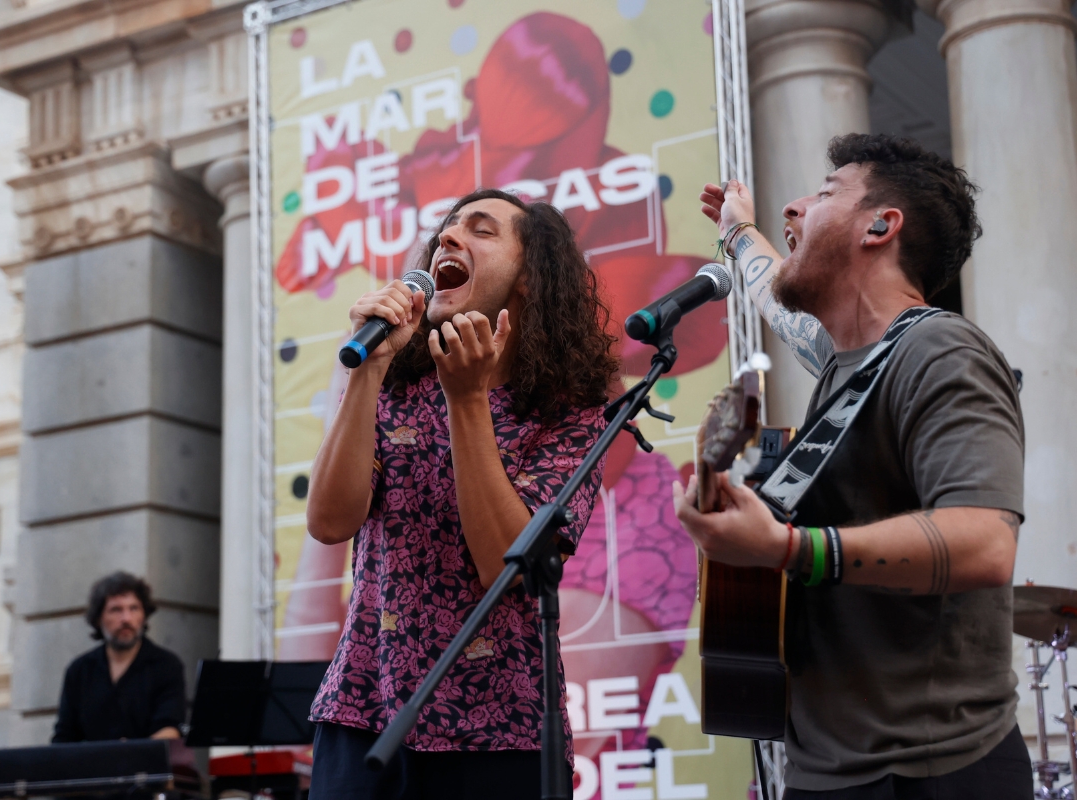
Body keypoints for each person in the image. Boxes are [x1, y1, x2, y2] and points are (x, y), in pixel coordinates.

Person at [676, 133, 1031, 797]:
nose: (796, 209)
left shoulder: (940, 351)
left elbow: (985, 543)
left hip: (933, 772)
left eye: (825, 193)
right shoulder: (843, 366)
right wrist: (738, 231)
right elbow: (772, 298)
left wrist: (788, 548)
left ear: (880, 225)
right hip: (827, 772)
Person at [303, 188, 619, 799]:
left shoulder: (570, 414)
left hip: (499, 729)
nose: (449, 238)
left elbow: (503, 561)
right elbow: (329, 520)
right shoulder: (394, 381)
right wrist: (367, 369)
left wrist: (467, 399)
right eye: (446, 229)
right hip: (363, 709)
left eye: (481, 230)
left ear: (530, 277)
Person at [52, 571, 185, 743]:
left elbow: (170, 729)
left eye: (134, 608)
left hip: (148, 767)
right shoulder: (80, 670)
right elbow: (64, 736)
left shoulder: (166, 665)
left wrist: (129, 754)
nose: (126, 618)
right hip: (94, 768)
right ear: (99, 619)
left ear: (144, 616)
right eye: (116, 610)